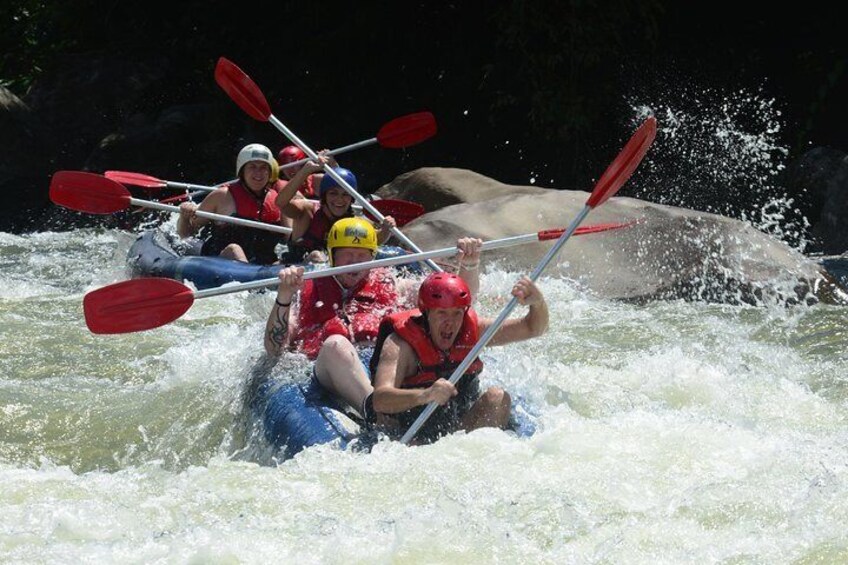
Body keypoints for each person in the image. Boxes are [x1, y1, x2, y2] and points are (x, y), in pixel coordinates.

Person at [264, 216, 483, 423]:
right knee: (335, 344)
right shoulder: (306, 291)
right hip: (332, 368)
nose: (355, 262)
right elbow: (275, 348)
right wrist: (283, 296)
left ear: (372, 256)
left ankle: (386, 406)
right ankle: (378, 415)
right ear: (332, 255)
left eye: (362, 255)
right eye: (347, 254)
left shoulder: (392, 284)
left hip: (382, 364)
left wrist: (470, 265)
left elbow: (453, 300)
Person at [370, 271, 549, 444]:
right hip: (411, 435)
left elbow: (533, 328)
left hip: (459, 433)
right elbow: (380, 400)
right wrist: (425, 395)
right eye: (442, 313)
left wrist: (538, 303)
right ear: (426, 312)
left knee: (497, 398)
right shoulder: (400, 345)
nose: (451, 322)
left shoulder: (474, 330)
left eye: (457, 313)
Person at [177, 143, 290, 264]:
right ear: (242, 171)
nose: (259, 173)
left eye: (263, 167)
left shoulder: (278, 200)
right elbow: (186, 234)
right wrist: (184, 217)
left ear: (269, 172)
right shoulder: (221, 196)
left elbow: (290, 238)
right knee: (234, 249)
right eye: (252, 167)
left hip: (262, 265)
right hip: (219, 260)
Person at [275, 163, 395, 263]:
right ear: (324, 196)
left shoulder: (353, 221)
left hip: (332, 272)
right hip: (297, 266)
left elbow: (376, 240)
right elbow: (281, 203)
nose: (339, 200)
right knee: (316, 255)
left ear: (351, 199)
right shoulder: (307, 211)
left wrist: (386, 229)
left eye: (345, 194)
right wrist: (305, 171)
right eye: (333, 193)